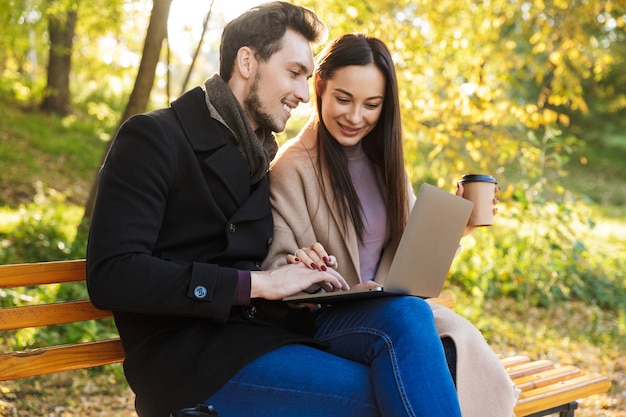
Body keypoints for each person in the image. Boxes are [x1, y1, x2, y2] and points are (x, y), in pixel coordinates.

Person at [86, 3, 462, 416]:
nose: (304, 95)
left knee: (408, 316)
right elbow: (112, 274)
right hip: (190, 361)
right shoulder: (154, 138)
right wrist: (257, 283)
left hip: (262, 335)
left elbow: (264, 258)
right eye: (295, 73)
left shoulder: (257, 154)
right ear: (248, 62)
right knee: (391, 390)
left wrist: (302, 268)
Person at [262, 33, 520, 417]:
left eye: (372, 105)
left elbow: (410, 259)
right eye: (343, 99)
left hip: (394, 309)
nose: (355, 117)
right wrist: (326, 278)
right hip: (328, 319)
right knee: (424, 338)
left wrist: (456, 227)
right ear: (320, 86)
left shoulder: (386, 162)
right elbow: (277, 270)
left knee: (455, 347)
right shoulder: (291, 168)